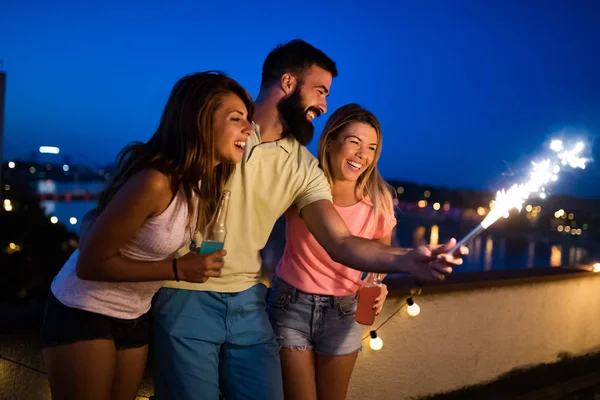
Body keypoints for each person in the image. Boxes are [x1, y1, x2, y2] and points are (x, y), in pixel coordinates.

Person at [152, 40, 467, 400]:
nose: (323, 105)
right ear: (288, 83)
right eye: (319, 91)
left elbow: (342, 242)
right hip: (189, 293)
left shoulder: (303, 168)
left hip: (248, 302)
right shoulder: (224, 132)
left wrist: (407, 258)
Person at [40, 71, 254, 400]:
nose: (248, 128)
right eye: (236, 118)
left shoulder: (199, 187)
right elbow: (90, 265)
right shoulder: (155, 182)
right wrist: (178, 270)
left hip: (134, 316)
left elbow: (97, 222)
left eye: (248, 119)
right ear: (200, 122)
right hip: (84, 309)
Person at [268, 103, 401, 399]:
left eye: (370, 147)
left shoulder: (378, 198)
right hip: (290, 305)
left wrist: (377, 283)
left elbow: (382, 249)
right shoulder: (303, 183)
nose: (361, 155)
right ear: (329, 142)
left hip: (345, 311)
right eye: (354, 142)